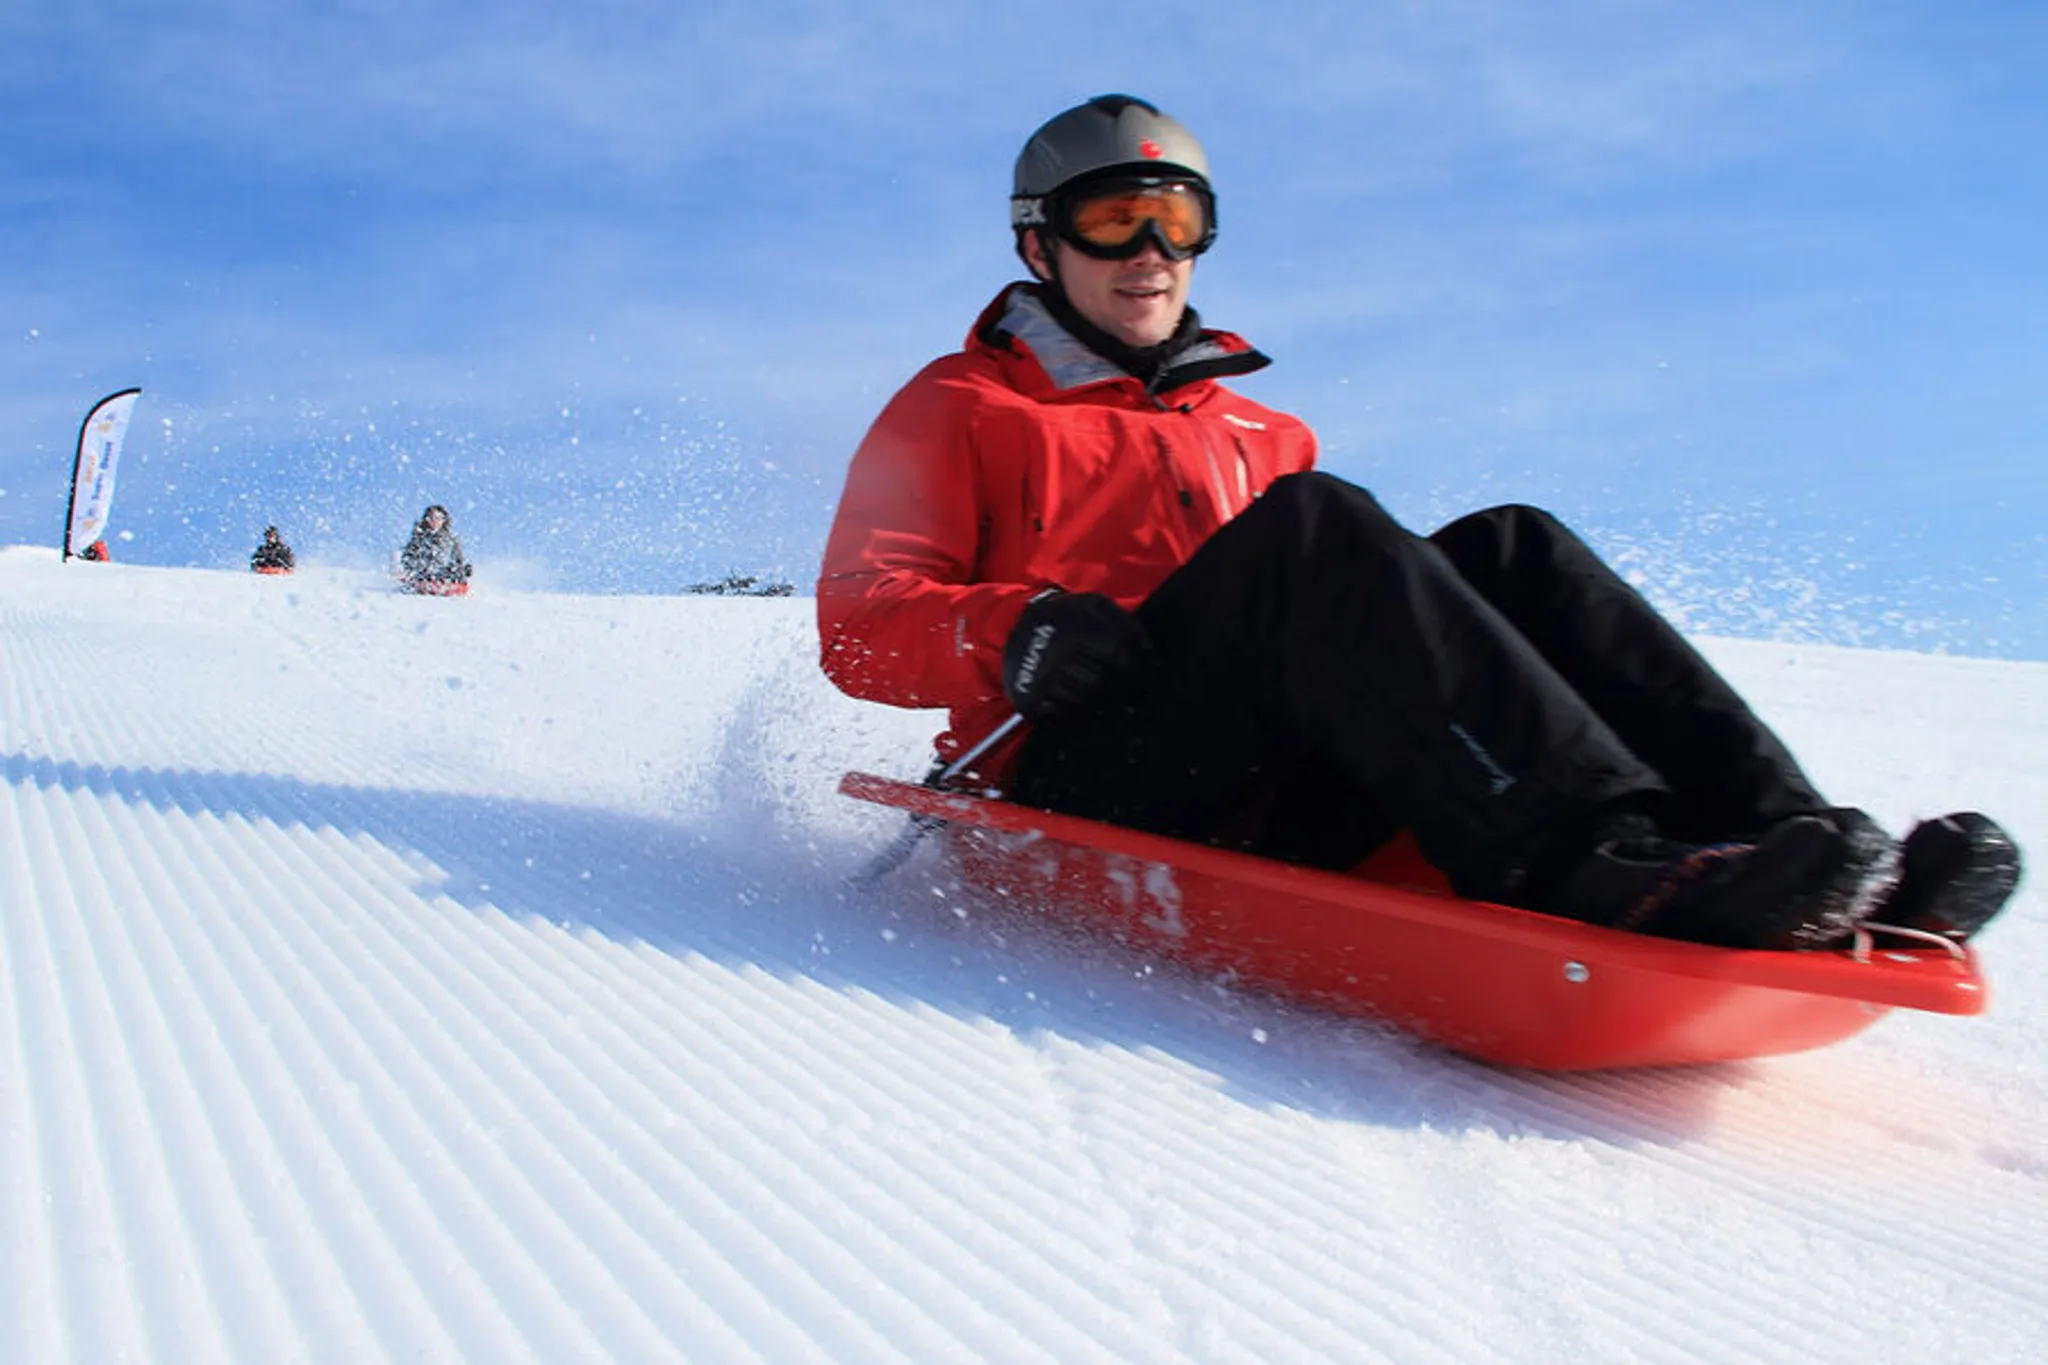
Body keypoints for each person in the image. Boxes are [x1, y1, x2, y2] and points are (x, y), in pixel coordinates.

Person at [816, 94, 2021, 951]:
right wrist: (1011, 631)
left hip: (1267, 773)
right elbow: (859, 628)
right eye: (1114, 221)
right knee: (1314, 529)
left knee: (1511, 543)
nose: (1149, 255)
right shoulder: (961, 405)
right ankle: (1590, 863)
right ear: (1040, 240)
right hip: (1079, 783)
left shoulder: (1258, 430)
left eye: (1177, 224)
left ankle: (1785, 848)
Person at [398, 504, 472, 590]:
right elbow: (408, 557)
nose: (435, 522)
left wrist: (461, 570)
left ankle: (449, 583)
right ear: (427, 520)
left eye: (438, 518)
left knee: (458, 571)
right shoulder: (419, 537)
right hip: (423, 574)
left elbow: (458, 560)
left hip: (442, 574)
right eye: (431, 518)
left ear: (444, 520)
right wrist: (416, 568)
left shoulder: (451, 540)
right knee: (425, 573)